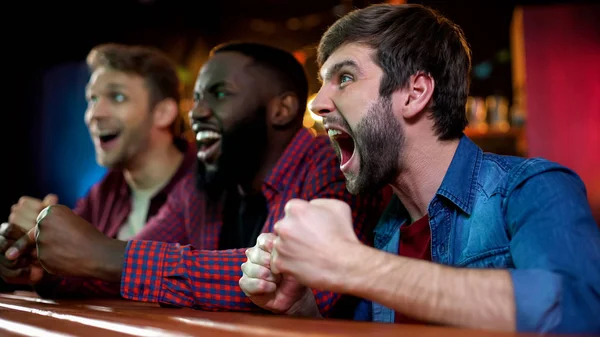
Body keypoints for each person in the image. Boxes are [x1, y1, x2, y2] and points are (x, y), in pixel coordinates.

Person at [238, 4, 600, 334]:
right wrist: (303, 311)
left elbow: (578, 312)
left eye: (344, 78)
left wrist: (353, 265)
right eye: (322, 82)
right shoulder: (386, 230)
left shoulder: (532, 187)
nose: (317, 103)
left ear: (415, 92)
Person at [3, 42, 388, 317]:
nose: (198, 111)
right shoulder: (201, 185)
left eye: (219, 94)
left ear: (283, 109)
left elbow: (299, 285)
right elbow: (116, 270)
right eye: (199, 96)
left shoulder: (330, 167)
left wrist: (106, 254)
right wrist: (46, 269)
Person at [1, 43, 194, 289]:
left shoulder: (207, 184)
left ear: (163, 112)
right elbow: (72, 274)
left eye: (117, 96)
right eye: (92, 98)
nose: (94, 113)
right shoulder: (102, 194)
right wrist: (32, 252)